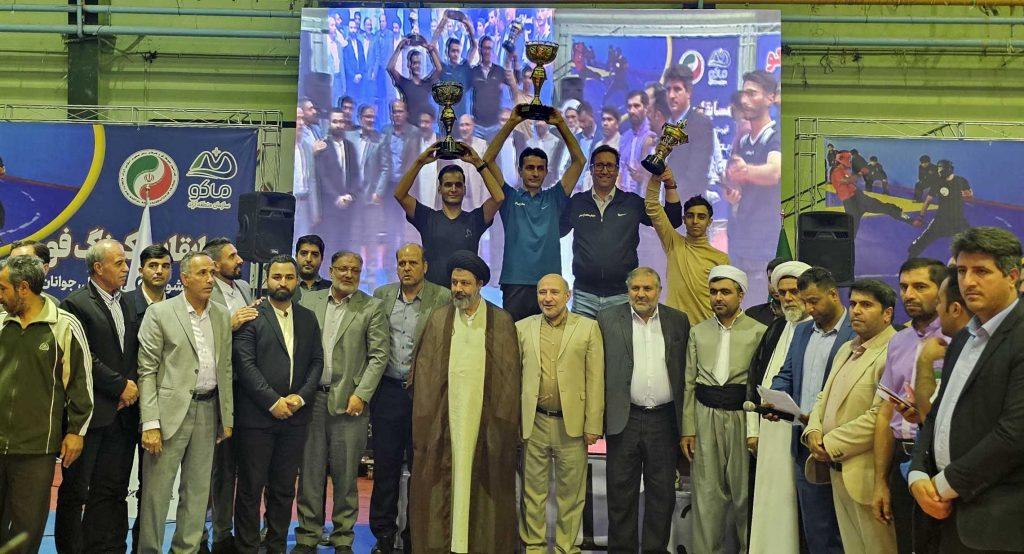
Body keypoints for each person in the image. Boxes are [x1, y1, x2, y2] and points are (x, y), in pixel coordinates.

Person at [909, 227, 1024, 553]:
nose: (968, 282)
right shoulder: (962, 338)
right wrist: (917, 473)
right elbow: (937, 414)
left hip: (999, 521)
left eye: (981, 271)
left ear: (1012, 276)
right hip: (946, 514)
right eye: (962, 271)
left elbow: (1014, 434)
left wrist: (944, 485)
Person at [407, 251, 522, 553]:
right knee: (443, 477)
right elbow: (425, 372)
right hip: (446, 416)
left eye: (465, 283)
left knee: (483, 478)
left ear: (480, 284)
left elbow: (510, 378)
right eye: (455, 283)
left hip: (485, 419)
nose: (458, 289)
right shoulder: (439, 318)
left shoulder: (501, 321)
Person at [137, 251, 234, 554]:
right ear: (185, 279)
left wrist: (226, 417)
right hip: (168, 415)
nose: (210, 279)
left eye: (212, 273)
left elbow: (225, 367)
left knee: (197, 493)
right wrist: (150, 423)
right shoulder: (160, 313)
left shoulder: (221, 314)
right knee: (156, 496)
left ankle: (186, 550)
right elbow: (146, 371)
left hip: (208, 410)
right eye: (202, 273)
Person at [294, 251, 388, 552]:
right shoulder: (308, 301)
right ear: (331, 270)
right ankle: (307, 535)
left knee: (346, 476)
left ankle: (343, 538)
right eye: (343, 269)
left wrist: (362, 394)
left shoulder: (371, 307)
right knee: (310, 475)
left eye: (355, 270)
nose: (348, 274)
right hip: (311, 402)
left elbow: (379, 356)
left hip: (350, 404)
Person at [232, 255, 324, 554]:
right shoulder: (252, 316)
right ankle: (246, 548)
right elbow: (245, 365)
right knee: (250, 489)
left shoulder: (308, 318)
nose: (282, 282)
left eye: (288, 277)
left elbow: (317, 361)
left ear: (296, 281)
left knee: (284, 490)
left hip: (295, 419)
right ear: (267, 280)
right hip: (257, 419)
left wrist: (300, 397)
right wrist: (272, 402)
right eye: (276, 277)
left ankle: (276, 547)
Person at [0, 255, 91, 553]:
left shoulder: (64, 325)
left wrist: (76, 431)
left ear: (23, 288)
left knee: (25, 533)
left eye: (3, 289)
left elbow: (81, 384)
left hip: (36, 449)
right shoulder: (1, 323)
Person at [803, 279, 899, 554]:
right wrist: (813, 431)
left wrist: (829, 443)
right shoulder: (847, 348)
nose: (856, 310)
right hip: (838, 471)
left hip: (868, 473)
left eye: (866, 305)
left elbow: (879, 417)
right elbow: (823, 396)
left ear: (887, 313)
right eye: (854, 303)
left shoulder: (894, 351)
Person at [55, 239, 139, 554]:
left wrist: (130, 387)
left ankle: (105, 547)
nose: (126, 268)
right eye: (119, 263)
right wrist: (119, 386)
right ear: (98, 267)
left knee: (111, 489)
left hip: (123, 414)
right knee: (76, 491)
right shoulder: (75, 303)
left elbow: (134, 350)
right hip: (90, 415)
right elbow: (82, 356)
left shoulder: (128, 302)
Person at [596, 267, 689, 552]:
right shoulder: (607, 319)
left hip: (664, 420)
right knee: (620, 495)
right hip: (624, 419)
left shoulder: (678, 320)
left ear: (659, 291)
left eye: (647, 288)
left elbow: (685, 372)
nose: (641, 294)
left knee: (662, 496)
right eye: (635, 288)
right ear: (628, 291)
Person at [369, 244, 452, 553]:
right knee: (386, 468)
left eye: (412, 262)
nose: (406, 268)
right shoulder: (382, 295)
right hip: (388, 392)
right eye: (402, 262)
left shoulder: (442, 297)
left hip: (424, 394)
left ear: (425, 266)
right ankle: (383, 536)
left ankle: (415, 537)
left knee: (422, 469)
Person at [681, 265, 766, 554]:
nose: (718, 298)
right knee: (706, 494)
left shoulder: (758, 332)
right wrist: (688, 429)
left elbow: (759, 384)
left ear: (740, 295)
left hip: (742, 417)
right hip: (705, 417)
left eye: (725, 292)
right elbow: (689, 383)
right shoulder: (698, 332)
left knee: (744, 494)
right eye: (714, 292)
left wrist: (756, 430)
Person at [517, 274, 604, 553]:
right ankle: (534, 547)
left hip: (572, 425)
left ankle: (566, 548)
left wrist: (593, 424)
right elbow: (515, 379)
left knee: (571, 495)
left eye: (554, 292)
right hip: (535, 422)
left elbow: (595, 379)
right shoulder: (522, 328)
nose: (547, 298)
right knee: (533, 493)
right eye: (542, 292)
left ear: (568, 296)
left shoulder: (588, 328)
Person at [770, 266, 852, 554]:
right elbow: (787, 373)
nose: (808, 308)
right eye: (805, 301)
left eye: (814, 301)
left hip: (843, 445)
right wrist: (776, 400)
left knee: (848, 531)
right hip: (805, 442)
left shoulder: (856, 331)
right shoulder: (803, 331)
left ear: (834, 294)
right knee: (817, 530)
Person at [871, 258, 948, 554]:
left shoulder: (957, 338)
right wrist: (880, 481)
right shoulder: (898, 340)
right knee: (907, 544)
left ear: (942, 290)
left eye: (920, 286)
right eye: (904, 287)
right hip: (900, 457)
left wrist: (925, 416)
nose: (909, 295)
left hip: (938, 459)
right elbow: (885, 413)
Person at [483, 107, 585, 321]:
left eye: (540, 168)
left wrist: (560, 124)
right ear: (520, 171)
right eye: (530, 168)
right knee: (514, 338)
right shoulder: (508, 197)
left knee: (549, 339)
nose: (535, 173)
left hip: (549, 284)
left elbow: (579, 162)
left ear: (547, 172)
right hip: (515, 282)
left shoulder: (555, 197)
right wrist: (512, 122)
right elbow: (488, 159)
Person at [561, 145, 684, 318]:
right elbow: (556, 231)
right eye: (599, 165)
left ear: (617, 170)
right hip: (584, 297)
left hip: (621, 296)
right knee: (582, 338)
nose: (605, 170)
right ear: (591, 169)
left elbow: (673, 221)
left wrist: (670, 185)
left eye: (610, 166)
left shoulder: (631, 203)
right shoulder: (577, 202)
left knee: (620, 338)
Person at [747, 261, 812, 554]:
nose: (787, 298)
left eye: (794, 291)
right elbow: (755, 378)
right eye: (782, 293)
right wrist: (753, 430)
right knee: (771, 498)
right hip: (771, 429)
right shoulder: (776, 328)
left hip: (802, 433)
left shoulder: (816, 330)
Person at [204, 237, 257, 551]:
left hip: (246, 389)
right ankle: (210, 534)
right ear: (215, 264)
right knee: (217, 467)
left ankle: (231, 532)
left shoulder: (245, 289)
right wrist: (230, 323)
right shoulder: (205, 291)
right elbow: (199, 333)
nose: (240, 261)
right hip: (217, 389)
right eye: (232, 256)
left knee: (241, 465)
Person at [394, 144, 505, 287]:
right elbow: (400, 195)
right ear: (439, 189)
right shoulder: (427, 218)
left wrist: (478, 162)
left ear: (464, 189)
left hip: (465, 292)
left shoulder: (475, 220)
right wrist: (419, 162)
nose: (453, 189)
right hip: (432, 294)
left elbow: (499, 198)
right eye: (448, 185)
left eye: (458, 185)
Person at [123, 243, 173, 552]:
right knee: (114, 484)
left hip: (159, 408)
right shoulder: (125, 303)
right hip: (124, 405)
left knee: (151, 486)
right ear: (140, 270)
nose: (159, 271)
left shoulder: (177, 307)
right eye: (153, 266)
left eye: (165, 266)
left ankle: (142, 546)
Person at [723, 71, 782, 296]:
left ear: (770, 98)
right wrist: (733, 193)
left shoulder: (775, 136)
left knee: (759, 304)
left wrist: (746, 172)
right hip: (740, 239)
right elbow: (739, 184)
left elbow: (774, 172)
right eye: (743, 94)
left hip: (764, 243)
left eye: (752, 94)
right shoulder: (744, 140)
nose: (745, 100)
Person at [645, 170, 729, 324]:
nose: (695, 221)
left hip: (706, 329)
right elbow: (653, 207)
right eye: (690, 216)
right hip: (674, 327)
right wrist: (657, 175)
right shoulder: (673, 243)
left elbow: (725, 300)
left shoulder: (721, 259)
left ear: (709, 221)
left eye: (701, 217)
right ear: (684, 219)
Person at [913, 265, 972, 422]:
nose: (937, 309)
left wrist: (925, 360)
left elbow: (929, 416)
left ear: (955, 309)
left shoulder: (967, 351)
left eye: (939, 301)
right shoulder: (962, 345)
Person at [351, 105, 394, 288]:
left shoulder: (381, 140)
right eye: (367, 117)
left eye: (372, 117)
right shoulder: (350, 137)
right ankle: (353, 274)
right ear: (359, 118)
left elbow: (385, 167)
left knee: (371, 240)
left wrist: (379, 191)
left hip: (371, 198)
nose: (370, 120)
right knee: (353, 238)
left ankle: (370, 279)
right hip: (353, 198)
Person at [662, 64, 714, 200]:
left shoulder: (700, 124)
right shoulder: (666, 126)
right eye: (668, 90)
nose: (671, 95)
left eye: (677, 89)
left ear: (689, 92)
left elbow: (695, 175)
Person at [908, 159, 973, 258]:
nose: (939, 172)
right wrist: (920, 217)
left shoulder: (961, 181)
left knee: (972, 241)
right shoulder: (938, 182)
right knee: (921, 242)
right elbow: (927, 201)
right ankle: (911, 257)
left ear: (949, 169)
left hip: (958, 219)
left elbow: (970, 195)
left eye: (941, 169)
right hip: (941, 219)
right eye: (938, 169)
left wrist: (965, 194)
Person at [315, 108, 359, 250]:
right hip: (330, 206)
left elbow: (355, 174)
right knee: (331, 245)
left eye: (341, 121)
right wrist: (337, 197)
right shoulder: (323, 146)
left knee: (345, 246)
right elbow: (322, 177)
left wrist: (350, 195)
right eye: (335, 122)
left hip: (349, 207)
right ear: (329, 123)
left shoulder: (350, 146)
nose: (338, 125)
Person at [468, 36, 518, 141]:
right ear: (480, 49)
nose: (487, 51)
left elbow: (516, 81)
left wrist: (513, 58)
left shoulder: (499, 71)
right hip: (477, 127)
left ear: (493, 51)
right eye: (485, 48)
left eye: (489, 48)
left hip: (495, 126)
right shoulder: (473, 72)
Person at [432, 12, 476, 118]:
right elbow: (432, 45)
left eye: (457, 51)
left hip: (461, 118)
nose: (456, 54)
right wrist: (444, 20)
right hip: (445, 118)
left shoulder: (464, 67)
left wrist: (465, 22)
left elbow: (474, 46)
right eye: (453, 51)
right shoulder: (442, 68)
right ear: (447, 52)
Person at [387, 39, 443, 121]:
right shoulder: (404, 83)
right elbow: (390, 68)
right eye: (414, 63)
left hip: (424, 125)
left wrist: (430, 51)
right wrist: (399, 48)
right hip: (409, 125)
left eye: (419, 63)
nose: (417, 66)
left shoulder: (426, 84)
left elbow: (439, 69)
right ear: (409, 65)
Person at [618, 90, 657, 194]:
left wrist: (643, 177)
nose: (632, 110)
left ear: (646, 108)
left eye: (636, 106)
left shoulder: (653, 135)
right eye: (629, 106)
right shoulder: (624, 137)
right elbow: (620, 170)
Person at [746, 256, 789, 326]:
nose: (774, 286)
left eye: (779, 280)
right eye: (771, 280)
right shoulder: (752, 315)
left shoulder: (803, 314)